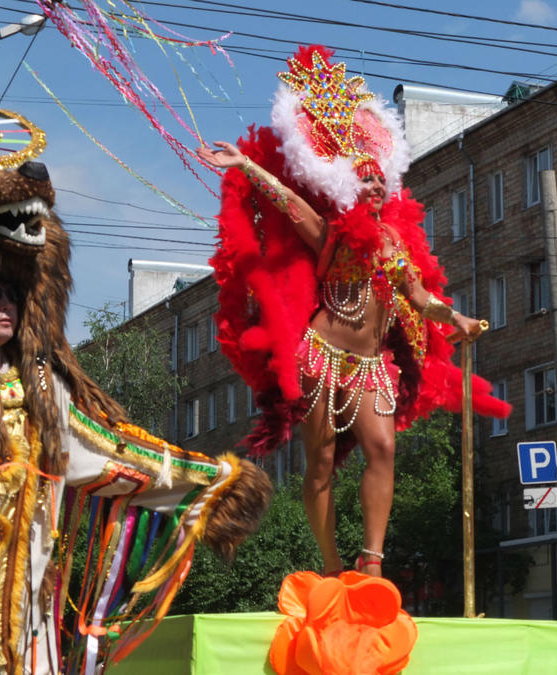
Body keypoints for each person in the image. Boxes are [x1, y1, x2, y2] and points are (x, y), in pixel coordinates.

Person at [197, 45, 510, 577]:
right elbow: (288, 205)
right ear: (346, 184)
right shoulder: (331, 234)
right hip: (319, 354)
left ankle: (372, 562)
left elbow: (418, 294)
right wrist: (247, 163)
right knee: (319, 464)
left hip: (369, 366)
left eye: (378, 179)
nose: (373, 185)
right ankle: (329, 562)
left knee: (382, 447)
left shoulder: (392, 240)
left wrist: (451, 318)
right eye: (362, 178)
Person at [0, 159, 271, 673]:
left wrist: (207, 480)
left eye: (14, 295)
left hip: (20, 622)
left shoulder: (42, 386)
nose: (5, 305)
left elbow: (105, 452)